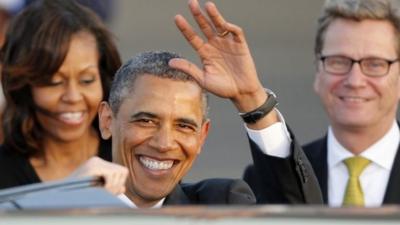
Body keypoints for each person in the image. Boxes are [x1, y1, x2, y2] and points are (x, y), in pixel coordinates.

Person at [97, 0, 320, 208]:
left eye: (184, 126)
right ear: (107, 121)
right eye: (146, 121)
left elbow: (299, 217)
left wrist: (252, 99)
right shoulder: (66, 208)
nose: (164, 143)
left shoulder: (221, 206)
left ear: (202, 135)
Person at [244, 0, 400, 207]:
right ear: (318, 71)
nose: (355, 81)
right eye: (338, 61)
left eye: (375, 64)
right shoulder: (264, 180)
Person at [0, 0, 126, 191]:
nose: (73, 97)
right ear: (23, 87)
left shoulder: (132, 157)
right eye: (54, 82)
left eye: (87, 80)